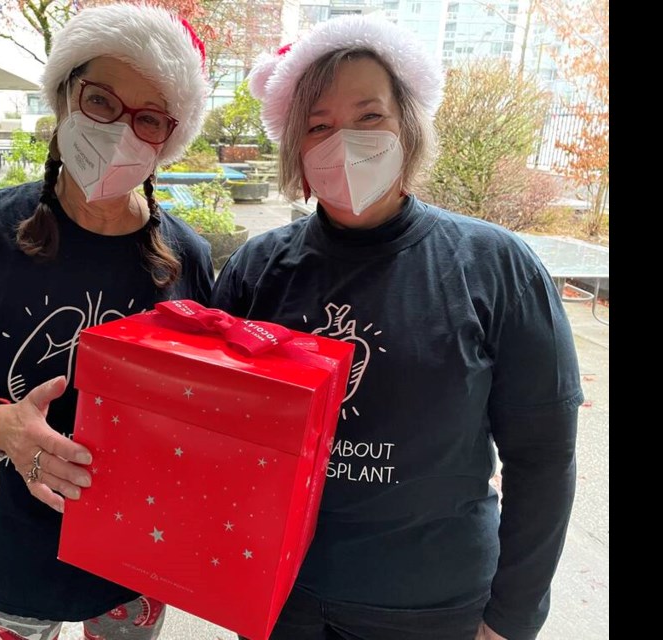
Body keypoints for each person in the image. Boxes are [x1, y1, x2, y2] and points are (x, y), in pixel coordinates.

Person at [211, 15, 582, 640]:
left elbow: (544, 455)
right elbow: (214, 427)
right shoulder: (259, 269)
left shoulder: (495, 266)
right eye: (318, 126)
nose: (343, 141)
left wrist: (512, 617)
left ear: (408, 125)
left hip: (434, 607)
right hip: (282, 597)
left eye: (370, 116)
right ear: (295, 149)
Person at [0, 5, 213, 639]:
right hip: (8, 567)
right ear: (65, 98)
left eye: (148, 119)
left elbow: (204, 423)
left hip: (137, 570)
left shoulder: (188, 261)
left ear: (168, 138)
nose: (119, 131)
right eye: (100, 100)